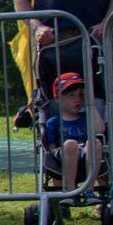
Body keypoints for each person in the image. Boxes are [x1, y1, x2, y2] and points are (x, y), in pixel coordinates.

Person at [42, 72, 103, 212]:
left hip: (85, 153)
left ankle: (89, 190)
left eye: (81, 96)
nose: (78, 100)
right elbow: (50, 148)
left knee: (95, 142)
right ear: (58, 98)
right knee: (70, 144)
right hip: (63, 153)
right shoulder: (54, 121)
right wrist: (70, 147)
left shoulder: (86, 118)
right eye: (72, 96)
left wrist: (91, 104)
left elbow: (100, 130)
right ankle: (70, 191)